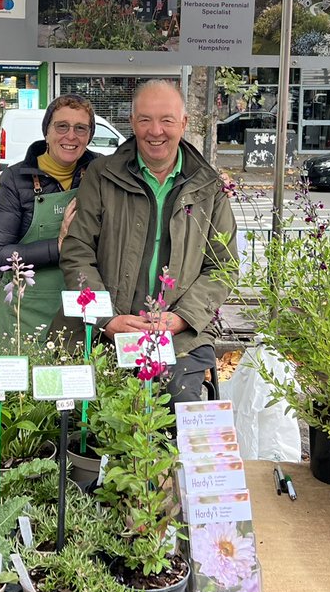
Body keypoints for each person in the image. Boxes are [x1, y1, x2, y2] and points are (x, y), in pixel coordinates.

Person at [59, 80, 239, 403]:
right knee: (86, 412)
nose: (156, 131)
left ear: (183, 123)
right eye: (145, 120)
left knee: (175, 406)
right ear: (132, 123)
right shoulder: (102, 175)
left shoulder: (209, 187)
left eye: (167, 120)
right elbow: (77, 252)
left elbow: (223, 266)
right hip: (107, 331)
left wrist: (182, 318)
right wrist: (106, 318)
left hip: (182, 336)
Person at [0, 94, 98, 344]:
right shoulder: (16, 179)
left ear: (89, 136)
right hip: (25, 315)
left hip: (84, 311)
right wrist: (58, 247)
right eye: (62, 126)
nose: (71, 136)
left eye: (81, 128)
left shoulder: (101, 175)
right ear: (46, 131)